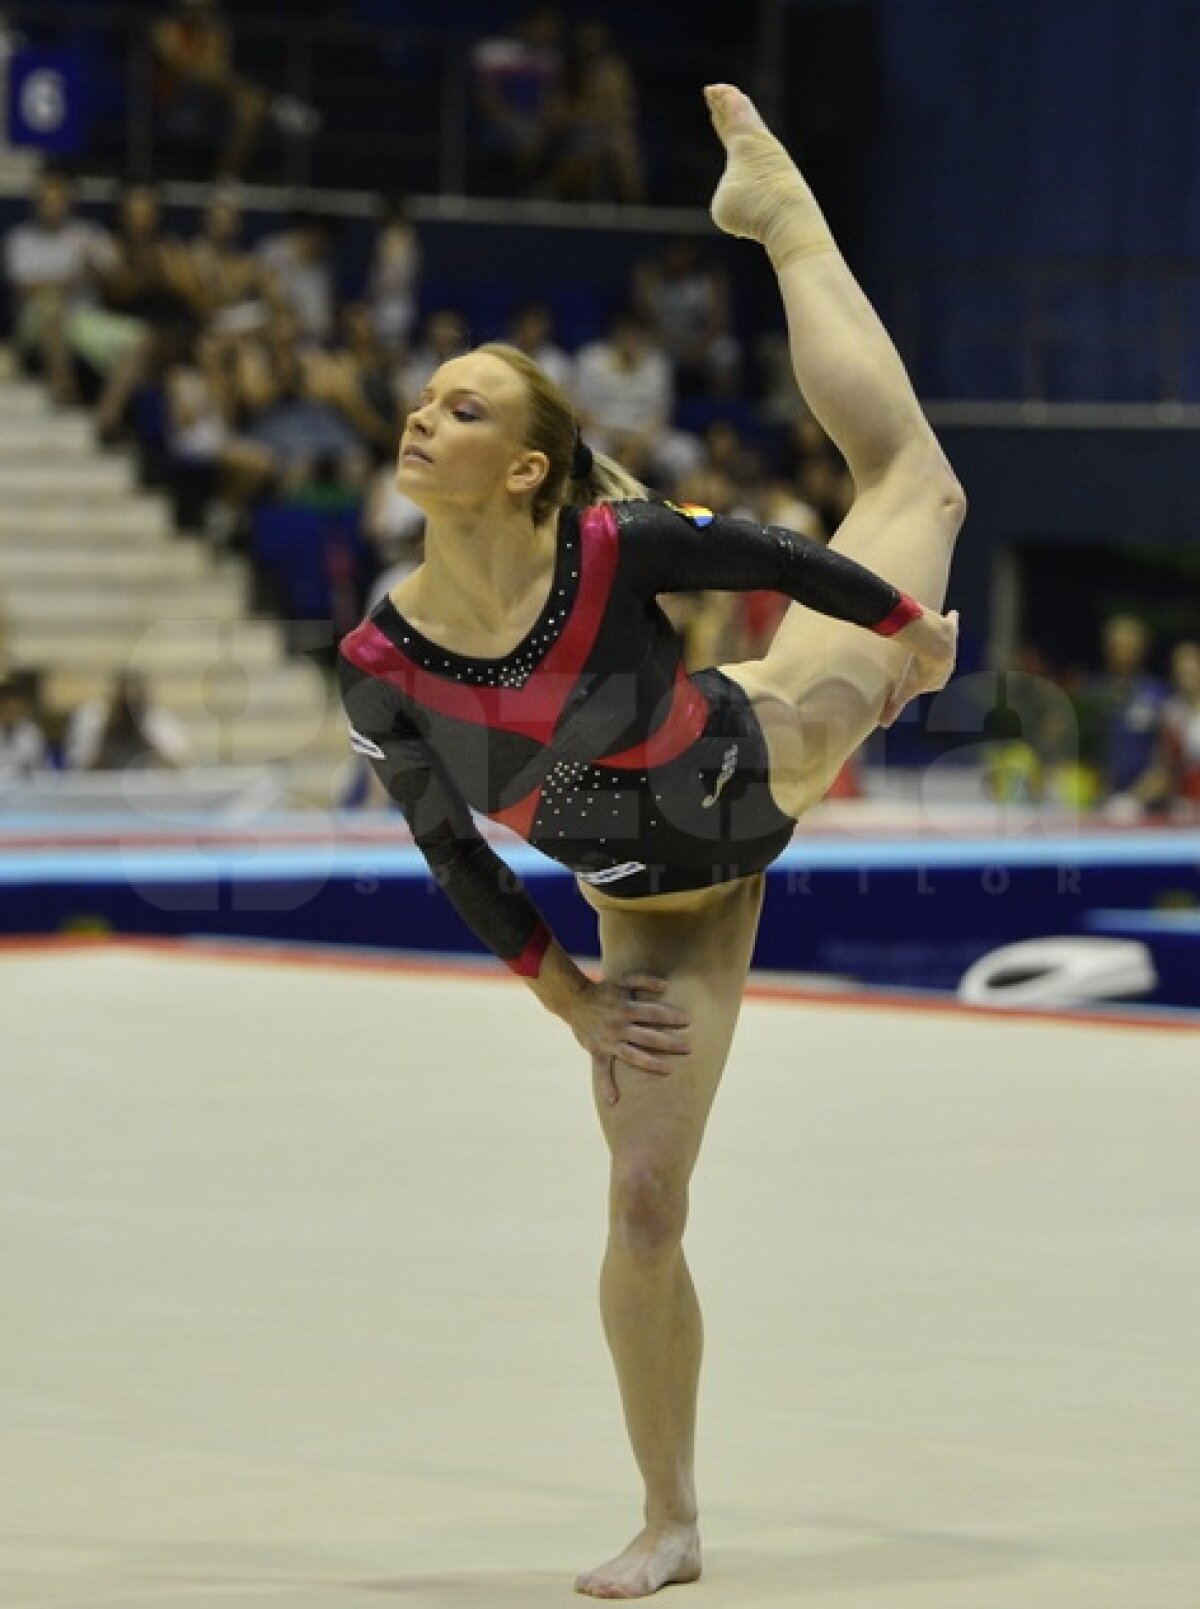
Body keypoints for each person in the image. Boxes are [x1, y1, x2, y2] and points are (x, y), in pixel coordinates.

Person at [338, 84, 962, 1599]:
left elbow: (761, 549)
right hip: (656, 922)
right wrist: (568, 999)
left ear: (531, 470)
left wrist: (904, 634)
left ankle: (789, 222)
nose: (427, 413)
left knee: (917, 484)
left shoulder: (608, 545)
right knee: (641, 1202)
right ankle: (671, 1517)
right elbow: (455, 854)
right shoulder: (381, 664)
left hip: (771, 755)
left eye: (467, 406)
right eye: (427, 396)